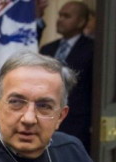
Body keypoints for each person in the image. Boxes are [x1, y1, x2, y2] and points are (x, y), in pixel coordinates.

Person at [39, 1, 93, 152]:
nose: (60, 19)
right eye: (60, 15)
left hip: (77, 123)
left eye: (66, 16)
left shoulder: (92, 49)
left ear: (81, 21)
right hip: (47, 117)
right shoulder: (48, 48)